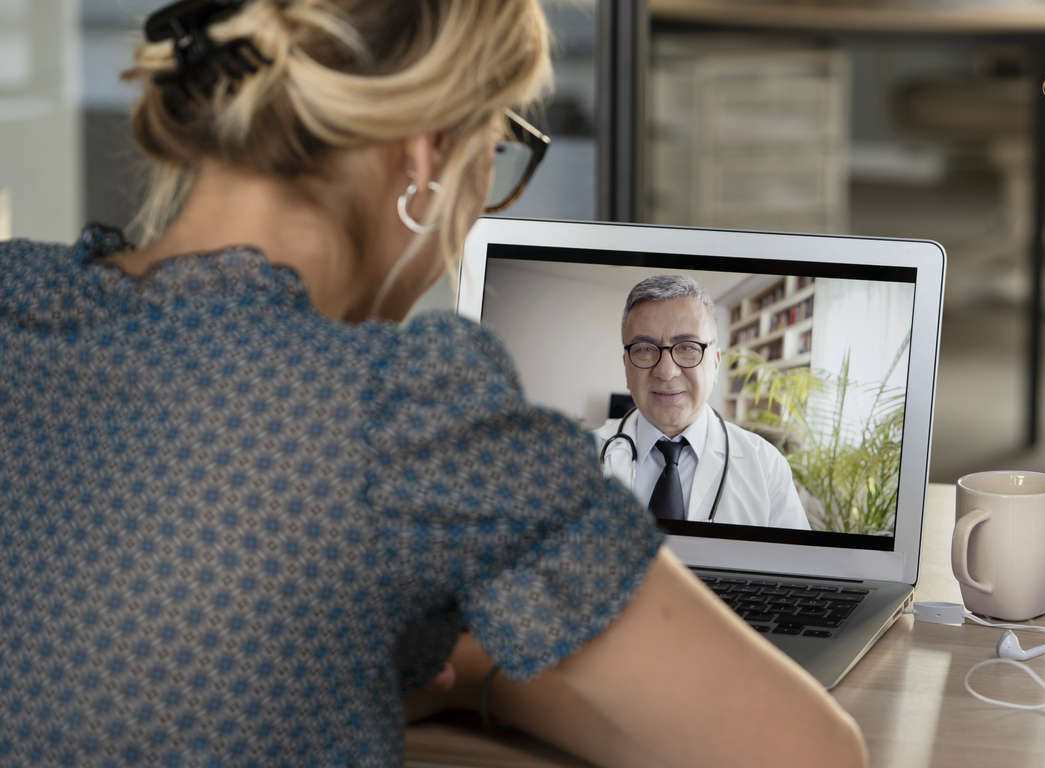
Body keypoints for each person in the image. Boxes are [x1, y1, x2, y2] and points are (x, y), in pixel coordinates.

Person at [0, 1, 865, 767]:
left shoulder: (17, 300)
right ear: (428, 156)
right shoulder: (404, 411)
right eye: (496, 147)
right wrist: (488, 675)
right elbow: (811, 752)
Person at [594, 276, 811, 529]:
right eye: (645, 348)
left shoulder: (767, 468)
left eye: (687, 347)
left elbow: (789, 567)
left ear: (716, 364)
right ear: (626, 366)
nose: (666, 372)